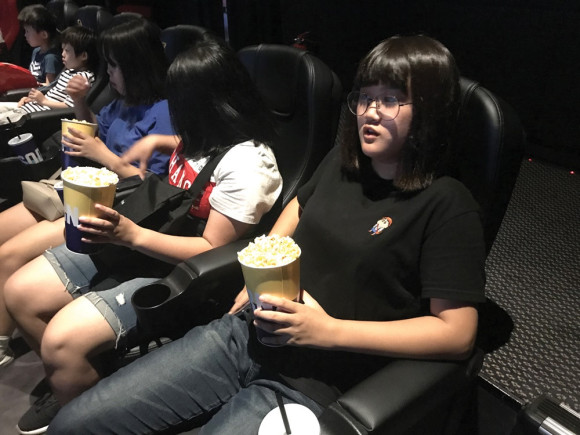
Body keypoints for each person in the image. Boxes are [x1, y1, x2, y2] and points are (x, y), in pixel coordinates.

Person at [41, 34, 487, 434]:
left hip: (317, 380)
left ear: (428, 109)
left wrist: (329, 331)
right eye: (365, 97)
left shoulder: (447, 203)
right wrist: (259, 269)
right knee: (74, 423)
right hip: (247, 334)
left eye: (390, 99)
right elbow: (299, 205)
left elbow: (457, 334)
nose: (369, 112)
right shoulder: (343, 161)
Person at [6, 37, 282, 434]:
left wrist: (130, 235)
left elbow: (211, 248)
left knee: (60, 343)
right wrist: (157, 140)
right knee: (19, 292)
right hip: (145, 236)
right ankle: (75, 378)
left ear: (207, 104)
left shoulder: (249, 165)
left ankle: (84, 396)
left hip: (178, 268)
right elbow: (188, 156)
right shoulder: (203, 134)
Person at [0, 16, 174, 371]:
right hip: (79, 186)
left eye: (113, 65)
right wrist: (80, 102)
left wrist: (102, 154)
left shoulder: (164, 113)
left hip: (112, 203)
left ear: (137, 65)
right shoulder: (122, 101)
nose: (107, 73)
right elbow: (96, 131)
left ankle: (9, 346)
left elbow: (153, 187)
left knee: (8, 257)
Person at [0, 25, 97, 125]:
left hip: (31, 115)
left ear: (83, 56)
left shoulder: (83, 78)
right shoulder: (68, 71)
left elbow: (70, 106)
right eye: (62, 49)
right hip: (29, 107)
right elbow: (53, 94)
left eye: (67, 51)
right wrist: (32, 99)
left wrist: (43, 101)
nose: (62, 54)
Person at [18, 4, 63, 86]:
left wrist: (36, 84)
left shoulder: (50, 58)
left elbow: (49, 86)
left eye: (28, 31)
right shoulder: (36, 51)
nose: (25, 35)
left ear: (44, 35)